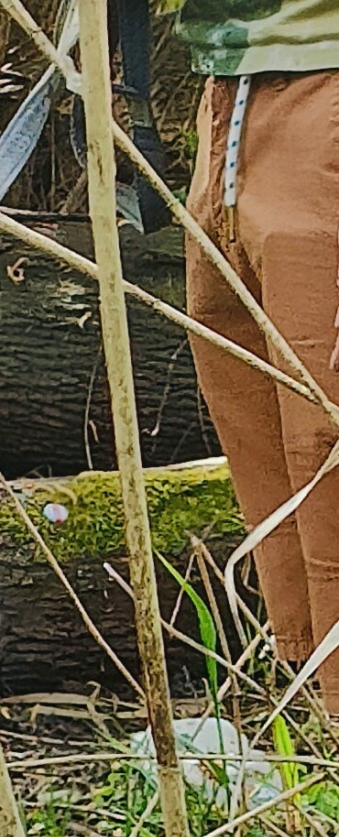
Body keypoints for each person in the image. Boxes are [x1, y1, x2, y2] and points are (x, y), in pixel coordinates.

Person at [177, 0, 339, 709]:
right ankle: (320, 731)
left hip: (324, 87)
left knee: (325, 441)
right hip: (228, 86)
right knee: (272, 450)